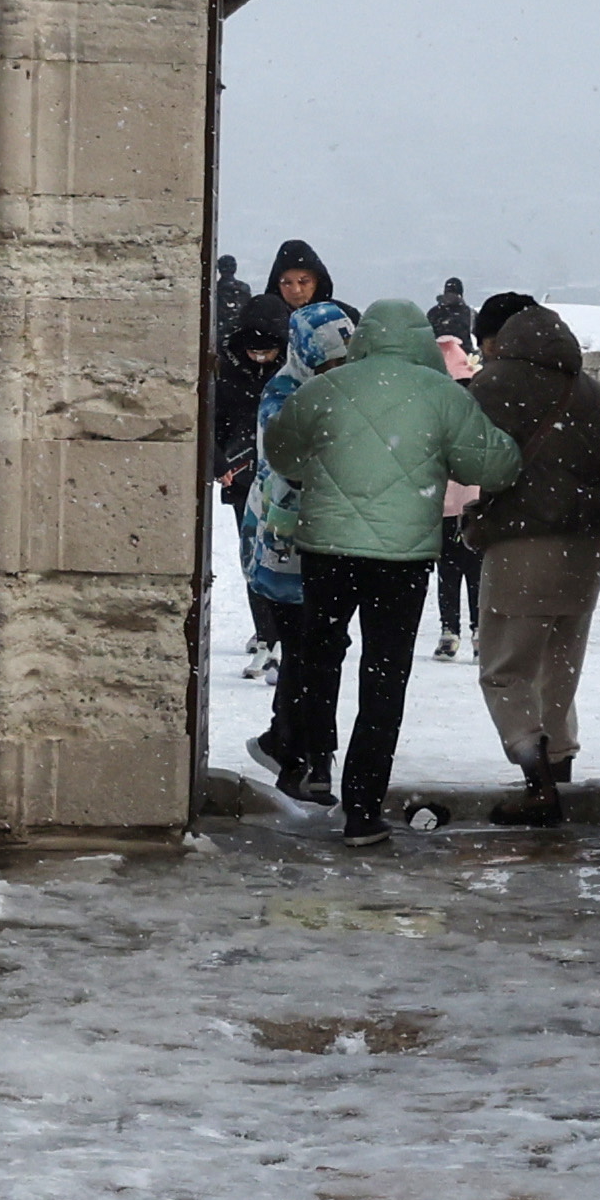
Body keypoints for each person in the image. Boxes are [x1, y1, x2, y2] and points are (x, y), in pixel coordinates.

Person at [247, 293, 513, 835]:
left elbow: (283, 455)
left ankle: (313, 760)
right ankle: (363, 808)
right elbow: (494, 463)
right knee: (385, 677)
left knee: (321, 658)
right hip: (403, 557)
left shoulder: (324, 388)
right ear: (420, 339)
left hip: (327, 551)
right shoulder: (443, 395)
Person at [460, 291, 600, 805]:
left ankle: (536, 781)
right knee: (559, 668)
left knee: (506, 669)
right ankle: (559, 769)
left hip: (523, 546)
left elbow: (469, 460)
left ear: (495, 338)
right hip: (586, 551)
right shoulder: (585, 388)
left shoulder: (494, 384)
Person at [223, 242, 356, 800]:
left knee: (317, 651)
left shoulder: (315, 390)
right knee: (310, 650)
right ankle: (298, 751)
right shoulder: (285, 395)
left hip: (326, 540)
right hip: (290, 542)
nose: (333, 369)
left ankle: (298, 750)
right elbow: (289, 465)